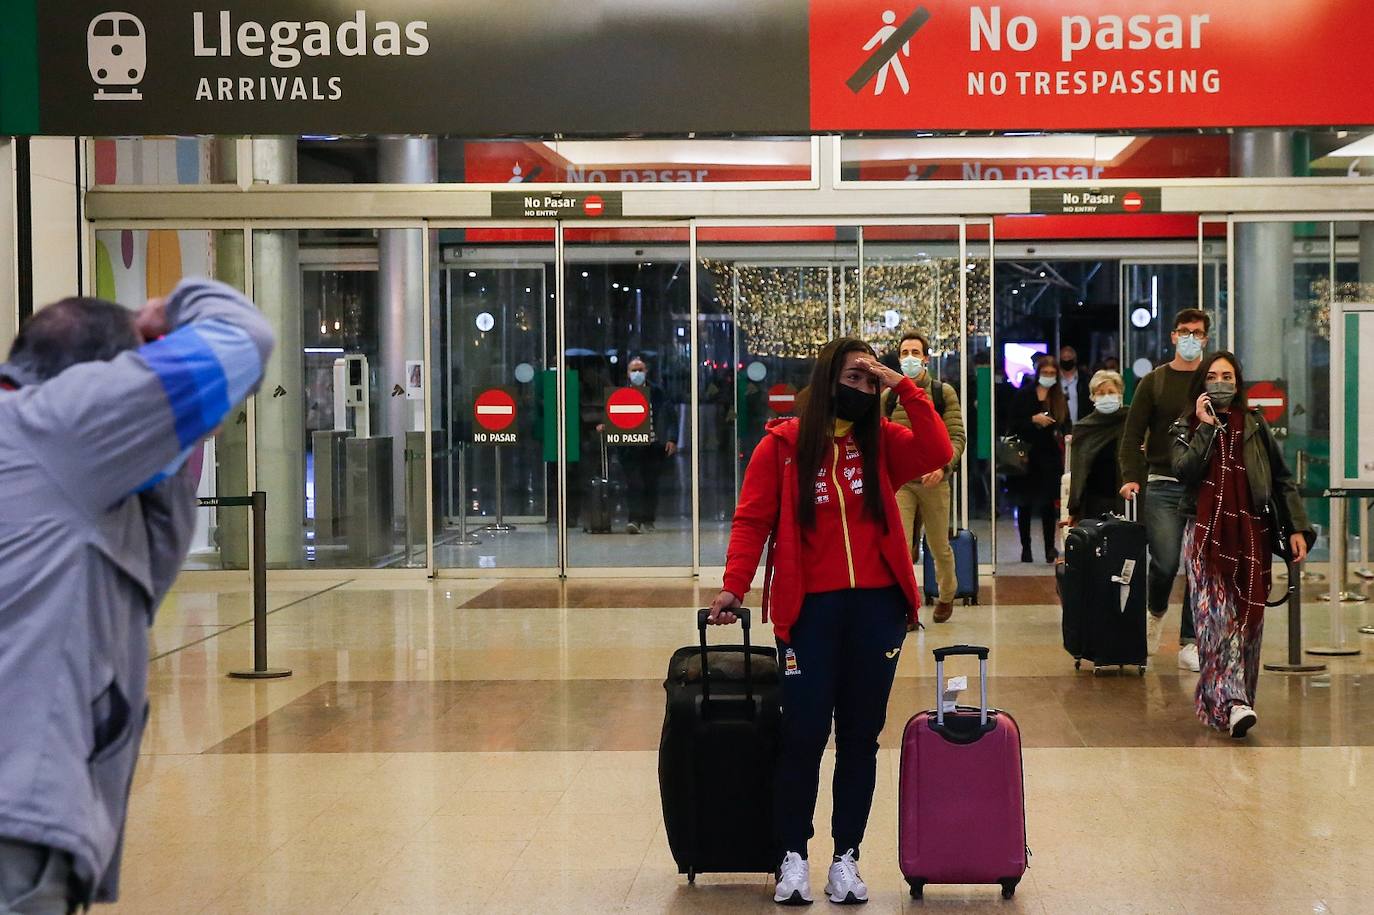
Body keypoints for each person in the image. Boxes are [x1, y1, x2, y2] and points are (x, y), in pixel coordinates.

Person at [0, 279, 273, 912]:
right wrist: (171, 311)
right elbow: (243, 337)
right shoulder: (63, 426)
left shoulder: (37, 453)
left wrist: (174, 436)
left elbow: (145, 567)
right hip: (15, 815)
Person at [706, 338, 952, 906]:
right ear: (826, 380)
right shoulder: (782, 447)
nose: (861, 389)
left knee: (860, 738)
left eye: (869, 380)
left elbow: (937, 449)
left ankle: (847, 858)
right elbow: (751, 520)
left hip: (877, 611)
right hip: (809, 612)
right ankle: (792, 855)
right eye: (852, 377)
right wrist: (734, 586)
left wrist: (901, 385)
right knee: (803, 735)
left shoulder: (882, 443)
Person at [1170, 351, 1312, 738]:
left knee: (1247, 623)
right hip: (1205, 537)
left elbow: (1280, 479)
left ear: (1238, 382)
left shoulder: (1254, 424)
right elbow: (1184, 471)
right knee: (1217, 622)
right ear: (1202, 383)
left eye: (1227, 376)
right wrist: (1204, 428)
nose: (1220, 383)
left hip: (1251, 533)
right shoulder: (1185, 425)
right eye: (1213, 376)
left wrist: (1297, 527)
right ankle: (1232, 702)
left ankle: (1235, 702)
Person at [1118, 307, 1210, 672]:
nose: (1190, 338)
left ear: (1206, 338)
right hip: (1162, 483)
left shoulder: (1212, 379)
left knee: (1199, 566)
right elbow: (1131, 435)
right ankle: (1155, 611)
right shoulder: (1154, 381)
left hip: (1204, 484)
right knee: (1166, 561)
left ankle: (1190, 640)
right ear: (1173, 335)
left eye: (1197, 332)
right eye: (1184, 331)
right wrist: (1130, 475)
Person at [884, 331, 966, 623]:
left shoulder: (943, 393)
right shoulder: (889, 397)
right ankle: (906, 605)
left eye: (915, 353)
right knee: (901, 546)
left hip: (935, 481)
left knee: (938, 545)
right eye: (904, 353)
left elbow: (956, 436)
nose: (909, 358)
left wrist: (943, 467)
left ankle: (946, 594)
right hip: (902, 484)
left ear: (926, 359)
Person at [1008, 354, 1071, 563]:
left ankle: (1049, 548)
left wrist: (1067, 435)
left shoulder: (1059, 397)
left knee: (1047, 504)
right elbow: (1012, 423)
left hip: (1049, 455)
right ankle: (1026, 548)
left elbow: (1066, 423)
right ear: (1038, 373)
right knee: (1024, 503)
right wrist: (1033, 419)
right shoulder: (1024, 394)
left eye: (1052, 373)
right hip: (1025, 454)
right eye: (1045, 372)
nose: (1049, 376)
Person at [615, 356, 678, 534]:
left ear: (646, 371)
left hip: (653, 446)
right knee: (634, 484)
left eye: (640, 370)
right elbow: (614, 417)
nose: (637, 373)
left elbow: (670, 416)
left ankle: (648, 519)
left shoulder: (657, 392)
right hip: (630, 447)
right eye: (633, 370)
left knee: (651, 484)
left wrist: (672, 439)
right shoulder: (620, 393)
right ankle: (634, 519)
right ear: (627, 373)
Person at [1066, 370, 1128, 523]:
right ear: (1092, 397)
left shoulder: (1131, 421)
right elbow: (1078, 471)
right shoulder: (1083, 428)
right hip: (1093, 502)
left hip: (1127, 501)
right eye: (1100, 393)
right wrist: (1074, 508)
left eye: (1111, 392)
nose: (1106, 397)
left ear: (1120, 394)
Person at [1059, 344, 1093, 423]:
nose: (1066, 360)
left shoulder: (1085, 380)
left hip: (1081, 424)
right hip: (1059, 426)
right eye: (1064, 357)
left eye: (1069, 357)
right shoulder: (1055, 381)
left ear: (1075, 359)